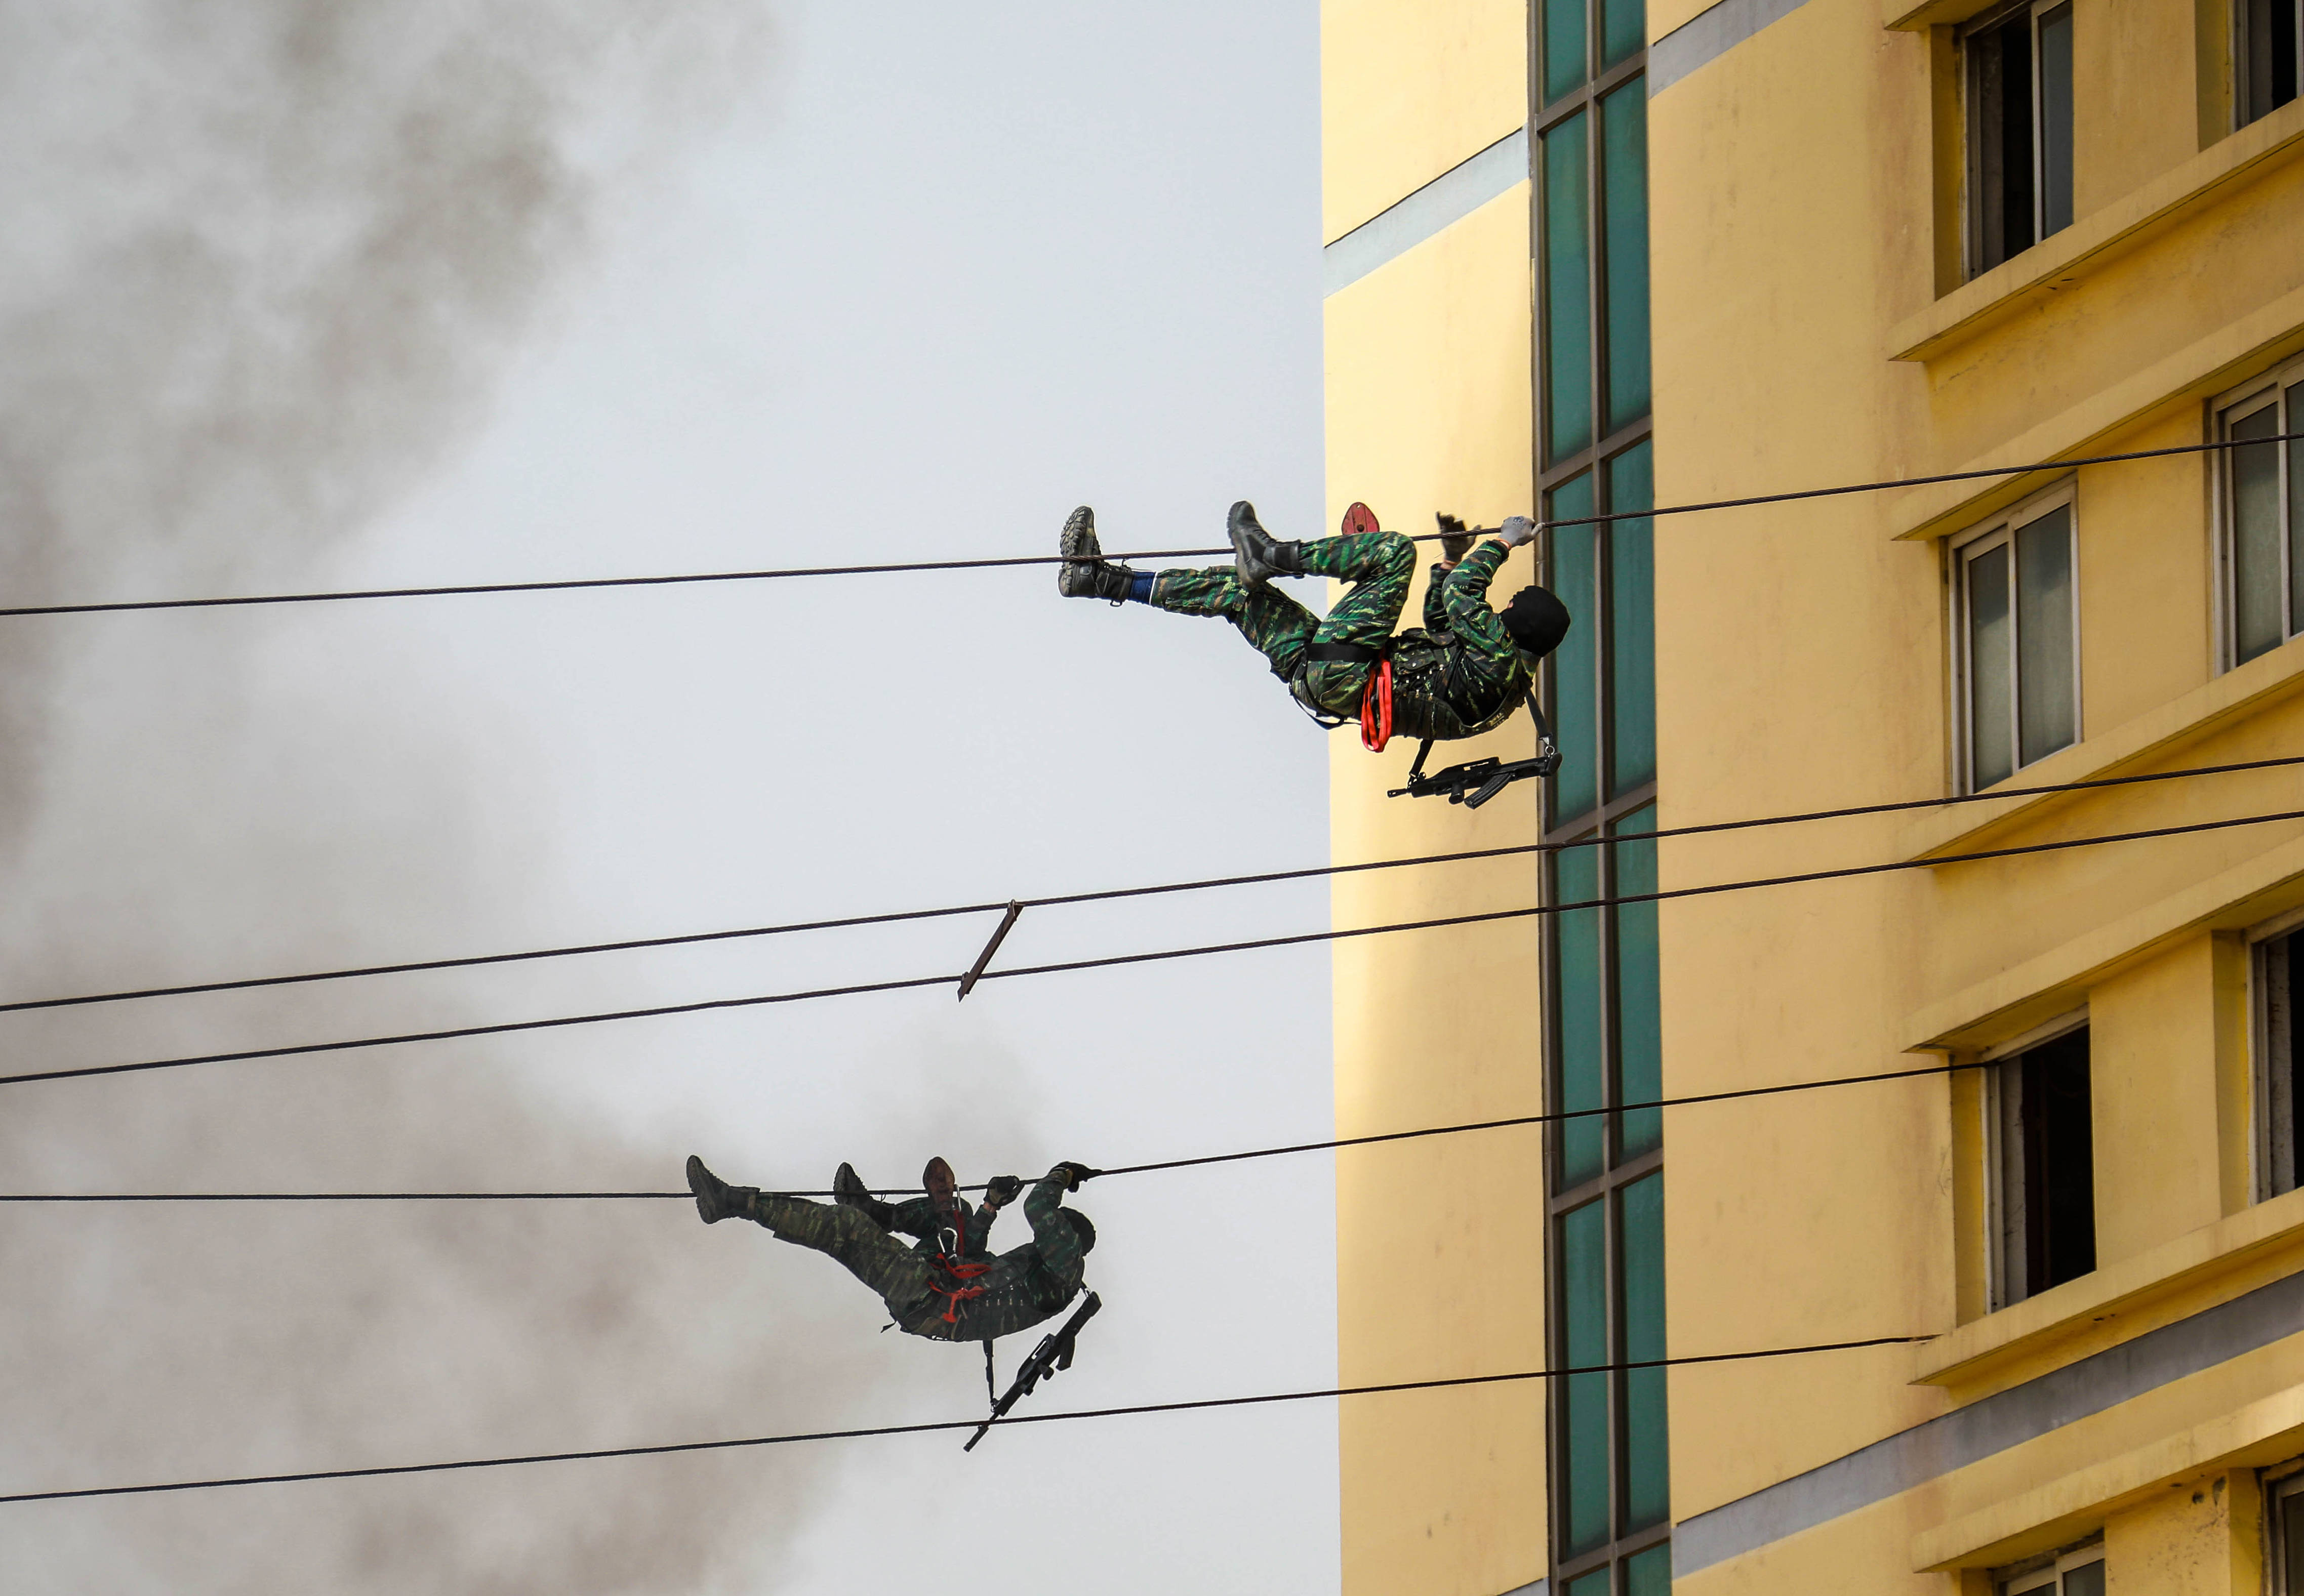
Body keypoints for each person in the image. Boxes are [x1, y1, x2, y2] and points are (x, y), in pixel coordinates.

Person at [1055, 499, 1570, 743]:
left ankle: (1272, 554)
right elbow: (1442, 622)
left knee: (1393, 553)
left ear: (1520, 623)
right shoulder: (1496, 671)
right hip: (1323, 682)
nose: (1502, 610)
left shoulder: (1500, 660)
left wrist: (1502, 543)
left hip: (1350, 674)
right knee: (1238, 593)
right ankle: (1100, 583)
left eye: (1511, 606)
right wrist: (1452, 560)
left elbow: (1462, 598)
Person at [685, 1153, 1096, 1343]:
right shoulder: (1035, 1272)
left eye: (1053, 1231)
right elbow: (972, 1256)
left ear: (1068, 1238)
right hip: (939, 1284)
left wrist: (1063, 1173)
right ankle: (877, 1214)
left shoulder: (1064, 1268)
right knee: (957, 1215)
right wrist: (990, 1204)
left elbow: (1039, 1205)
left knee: (843, 1229)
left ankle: (732, 1201)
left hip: (930, 1299)